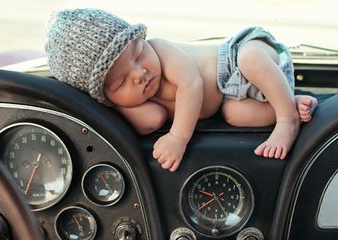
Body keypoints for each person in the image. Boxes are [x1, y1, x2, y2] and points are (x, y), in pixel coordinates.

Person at [45, 8, 317, 172]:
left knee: (251, 59)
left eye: (139, 54)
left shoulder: (161, 49)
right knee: (236, 115)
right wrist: (117, 105)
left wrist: (178, 138)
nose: (140, 74)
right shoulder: (133, 102)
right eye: (121, 82)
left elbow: (192, 85)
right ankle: (289, 102)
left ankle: (287, 118)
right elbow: (151, 120)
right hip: (232, 97)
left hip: (239, 57)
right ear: (105, 96)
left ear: (142, 40)